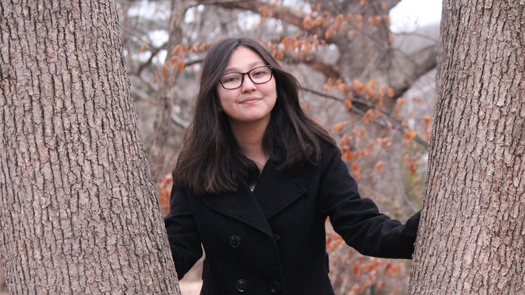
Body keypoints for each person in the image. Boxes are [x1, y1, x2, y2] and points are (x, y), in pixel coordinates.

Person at [164, 37, 420, 295]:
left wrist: (421, 231)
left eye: (259, 73)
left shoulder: (315, 154)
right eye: (231, 78)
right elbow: (178, 249)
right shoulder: (195, 167)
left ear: (276, 82)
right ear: (214, 95)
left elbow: (361, 226)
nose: (249, 85)